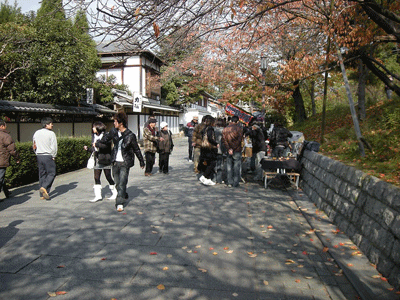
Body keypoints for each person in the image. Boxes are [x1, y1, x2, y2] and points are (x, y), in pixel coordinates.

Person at [98, 112, 145, 212]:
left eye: (115, 121)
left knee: (122, 182)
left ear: (121, 123)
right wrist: (99, 141)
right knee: (117, 182)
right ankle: (123, 194)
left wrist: (141, 161)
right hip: (115, 161)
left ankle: (119, 203)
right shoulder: (113, 132)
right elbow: (105, 139)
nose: (114, 123)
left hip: (125, 162)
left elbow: (136, 149)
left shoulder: (130, 135)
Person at [84, 121, 117, 203]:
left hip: (105, 159)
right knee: (96, 177)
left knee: (108, 177)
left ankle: (115, 193)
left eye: (94, 127)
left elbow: (106, 146)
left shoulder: (106, 135)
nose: (92, 129)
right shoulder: (94, 136)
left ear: (98, 128)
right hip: (97, 159)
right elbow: (95, 149)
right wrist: (88, 149)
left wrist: (97, 144)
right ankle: (98, 196)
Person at [33, 117, 57, 200]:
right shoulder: (51, 134)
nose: (52, 125)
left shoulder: (36, 133)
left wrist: (36, 153)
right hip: (48, 155)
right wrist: (53, 155)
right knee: (52, 173)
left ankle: (42, 194)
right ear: (46, 124)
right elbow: (54, 146)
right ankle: (44, 187)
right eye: (51, 123)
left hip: (39, 155)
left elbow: (34, 145)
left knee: (42, 174)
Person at [222, 116, 243, 188]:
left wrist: (229, 148)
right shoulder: (239, 129)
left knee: (229, 166)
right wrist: (233, 149)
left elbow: (224, 140)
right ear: (237, 121)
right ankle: (235, 182)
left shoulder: (225, 129)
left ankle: (229, 181)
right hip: (236, 150)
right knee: (236, 167)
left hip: (229, 150)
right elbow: (239, 140)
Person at [0, 120, 19, 199]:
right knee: (0, 177)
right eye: (5, 125)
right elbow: (12, 149)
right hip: (2, 160)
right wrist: (17, 158)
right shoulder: (5, 136)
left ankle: (6, 192)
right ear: (2, 126)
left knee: (1, 177)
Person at [198, 116, 218, 186]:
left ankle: (208, 179)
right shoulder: (210, 129)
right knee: (212, 163)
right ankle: (204, 176)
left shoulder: (204, 128)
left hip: (204, 148)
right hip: (209, 149)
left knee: (208, 163)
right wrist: (216, 143)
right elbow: (210, 138)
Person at [214, 118, 227, 184]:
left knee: (213, 165)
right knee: (219, 165)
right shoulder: (224, 131)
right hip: (220, 150)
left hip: (212, 149)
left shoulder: (212, 129)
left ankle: (213, 178)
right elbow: (224, 142)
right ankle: (219, 179)